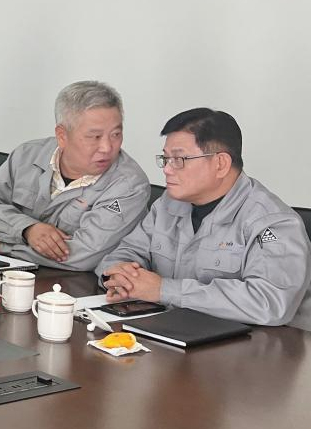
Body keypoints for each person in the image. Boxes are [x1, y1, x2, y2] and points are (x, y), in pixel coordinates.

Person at [97, 109, 311, 326]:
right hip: (178, 331)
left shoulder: (274, 222)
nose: (167, 170)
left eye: (179, 159)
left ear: (221, 164)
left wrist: (164, 290)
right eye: (165, 159)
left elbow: (270, 302)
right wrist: (119, 274)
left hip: (258, 343)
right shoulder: (167, 204)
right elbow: (127, 251)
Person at [0, 81, 149, 270]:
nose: (107, 147)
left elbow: (83, 255)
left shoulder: (129, 185)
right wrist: (27, 229)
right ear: (62, 135)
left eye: (116, 134)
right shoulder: (27, 155)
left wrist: (5, 247)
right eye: (95, 137)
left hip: (71, 283)